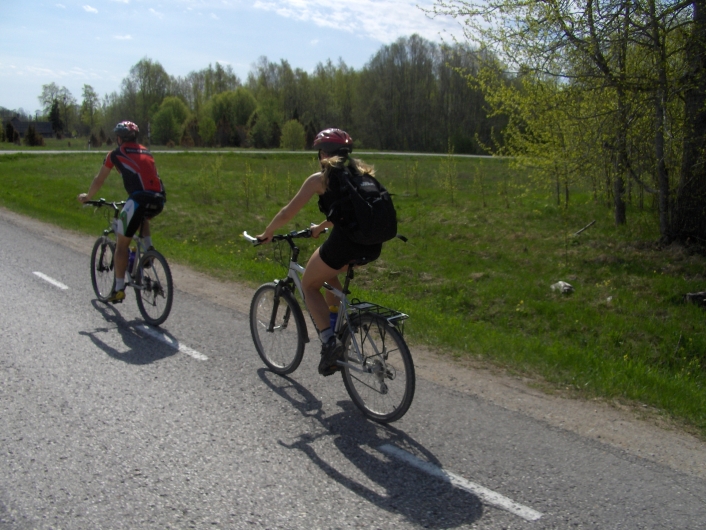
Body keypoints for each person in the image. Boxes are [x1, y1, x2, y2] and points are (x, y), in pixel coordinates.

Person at [257, 128, 383, 376]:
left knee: (309, 284)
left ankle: (329, 342)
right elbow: (349, 214)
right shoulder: (361, 175)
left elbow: (287, 213)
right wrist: (321, 226)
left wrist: (267, 232)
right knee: (328, 274)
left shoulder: (320, 179)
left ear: (323, 154)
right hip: (372, 245)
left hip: (346, 244)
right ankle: (335, 330)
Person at [77, 121, 166, 303]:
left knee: (121, 245)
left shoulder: (115, 154)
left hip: (138, 199)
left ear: (119, 138)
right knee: (142, 217)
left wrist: (88, 196)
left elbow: (99, 179)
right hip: (159, 199)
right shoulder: (146, 151)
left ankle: (118, 289)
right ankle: (148, 251)